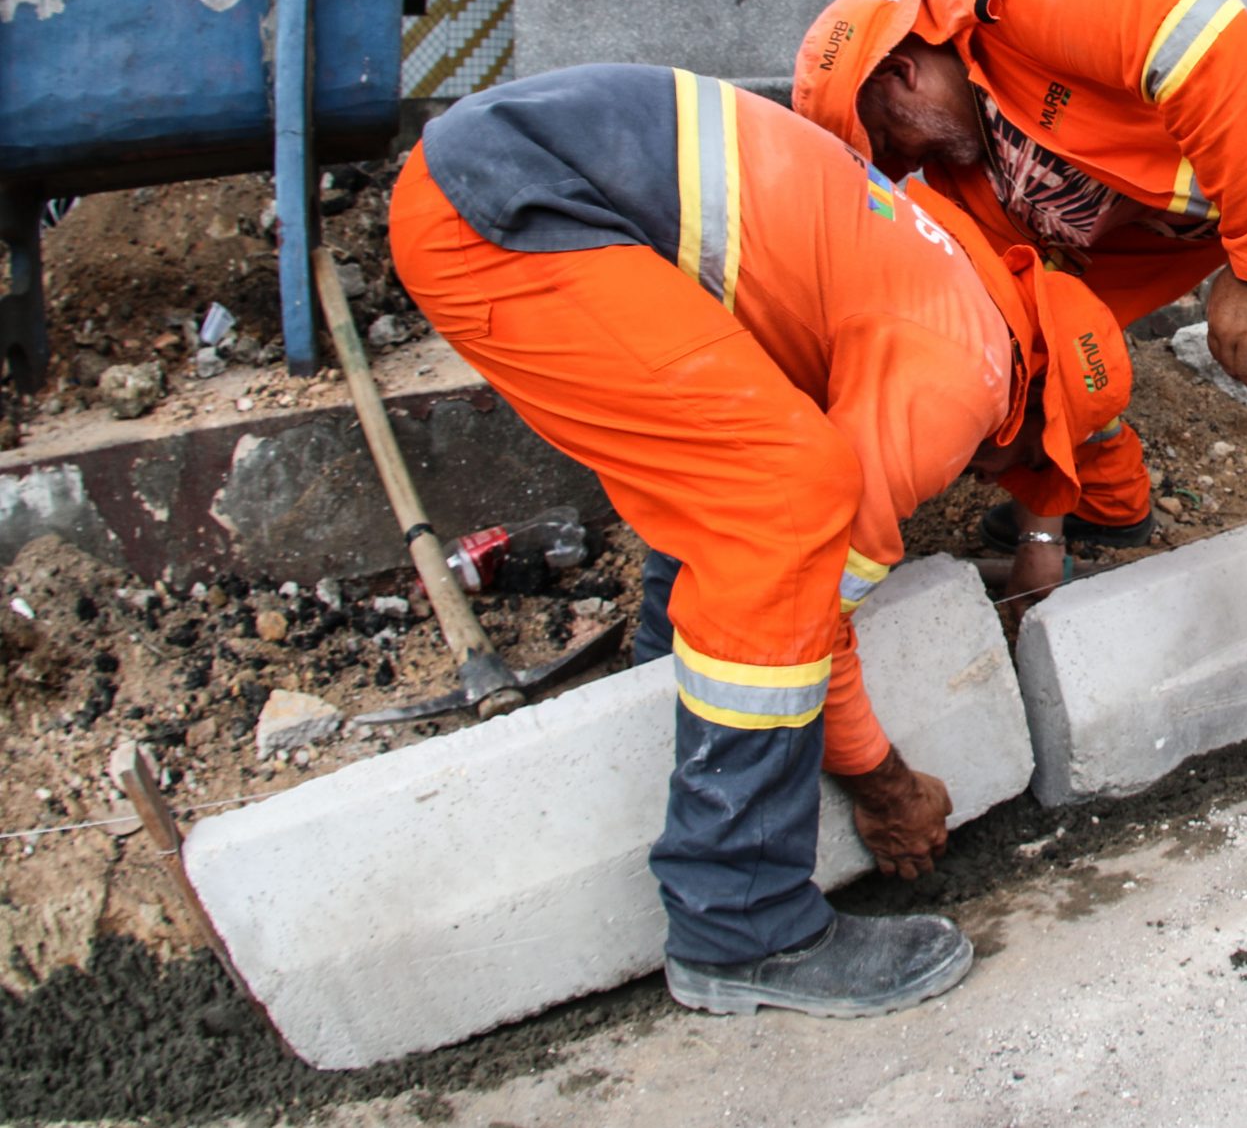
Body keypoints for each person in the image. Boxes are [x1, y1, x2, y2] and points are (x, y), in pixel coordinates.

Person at [389, 62, 1131, 1019]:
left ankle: (670, 679)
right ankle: (742, 920)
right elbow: (818, 603)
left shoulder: (940, 265)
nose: (997, 476)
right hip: (520, 204)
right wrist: (885, 780)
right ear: (1033, 419)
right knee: (785, 497)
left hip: (515, 172)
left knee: (744, 456)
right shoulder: (969, 374)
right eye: (1032, 464)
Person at [792, 0, 1247, 815]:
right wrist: (1040, 539)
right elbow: (1039, 329)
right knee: (1020, 328)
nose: (904, 167)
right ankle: (1111, 503)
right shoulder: (960, 162)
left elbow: (1214, 55)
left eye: (891, 141)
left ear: (903, 71)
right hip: (1192, 192)